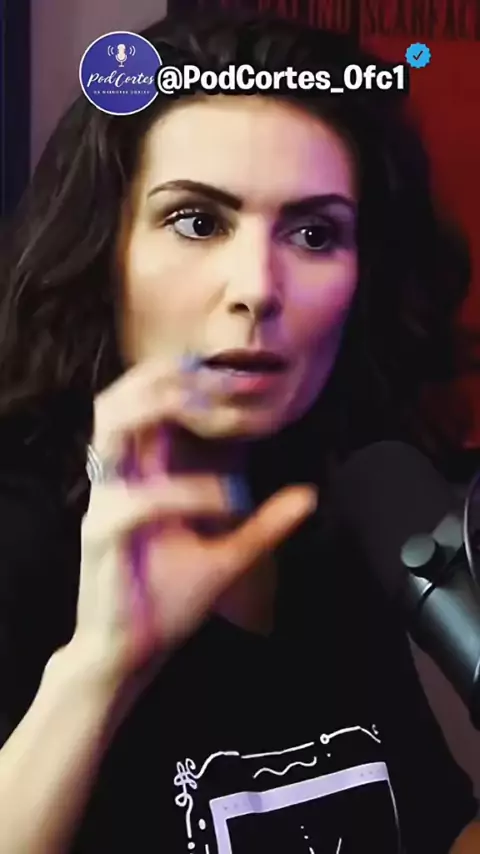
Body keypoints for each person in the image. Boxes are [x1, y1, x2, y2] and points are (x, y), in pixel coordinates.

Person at [0, 9, 478, 853]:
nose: (257, 286)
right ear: (106, 256)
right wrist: (100, 666)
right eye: (197, 220)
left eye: (314, 233)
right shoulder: (20, 535)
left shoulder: (333, 516)